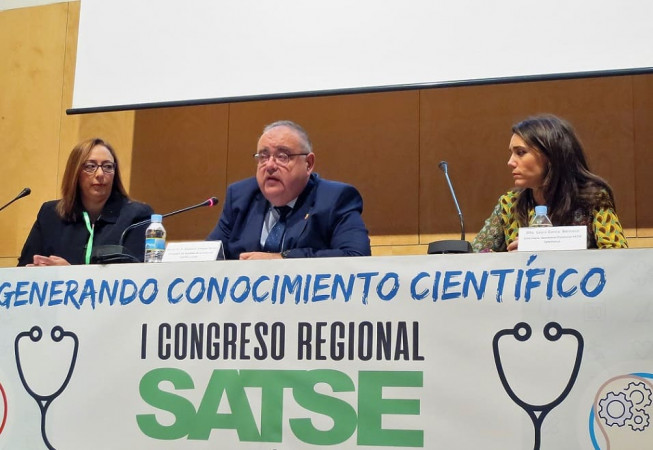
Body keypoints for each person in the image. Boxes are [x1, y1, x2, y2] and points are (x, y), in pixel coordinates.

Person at [207, 120, 371, 259]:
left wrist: (281, 258)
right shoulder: (240, 196)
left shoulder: (335, 199)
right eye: (263, 157)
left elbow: (356, 256)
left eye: (282, 156)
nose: (270, 165)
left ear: (308, 164)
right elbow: (210, 257)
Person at [472, 114, 628, 252]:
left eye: (520, 152)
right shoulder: (509, 203)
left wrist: (546, 248)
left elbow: (618, 256)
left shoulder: (592, 198)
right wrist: (512, 259)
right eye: (512, 153)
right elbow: (475, 255)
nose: (510, 162)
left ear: (551, 156)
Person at [18, 138, 153, 266]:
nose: (100, 174)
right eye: (90, 166)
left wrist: (71, 275)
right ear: (75, 172)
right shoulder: (50, 215)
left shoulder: (137, 217)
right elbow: (23, 270)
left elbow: (138, 275)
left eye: (107, 166)